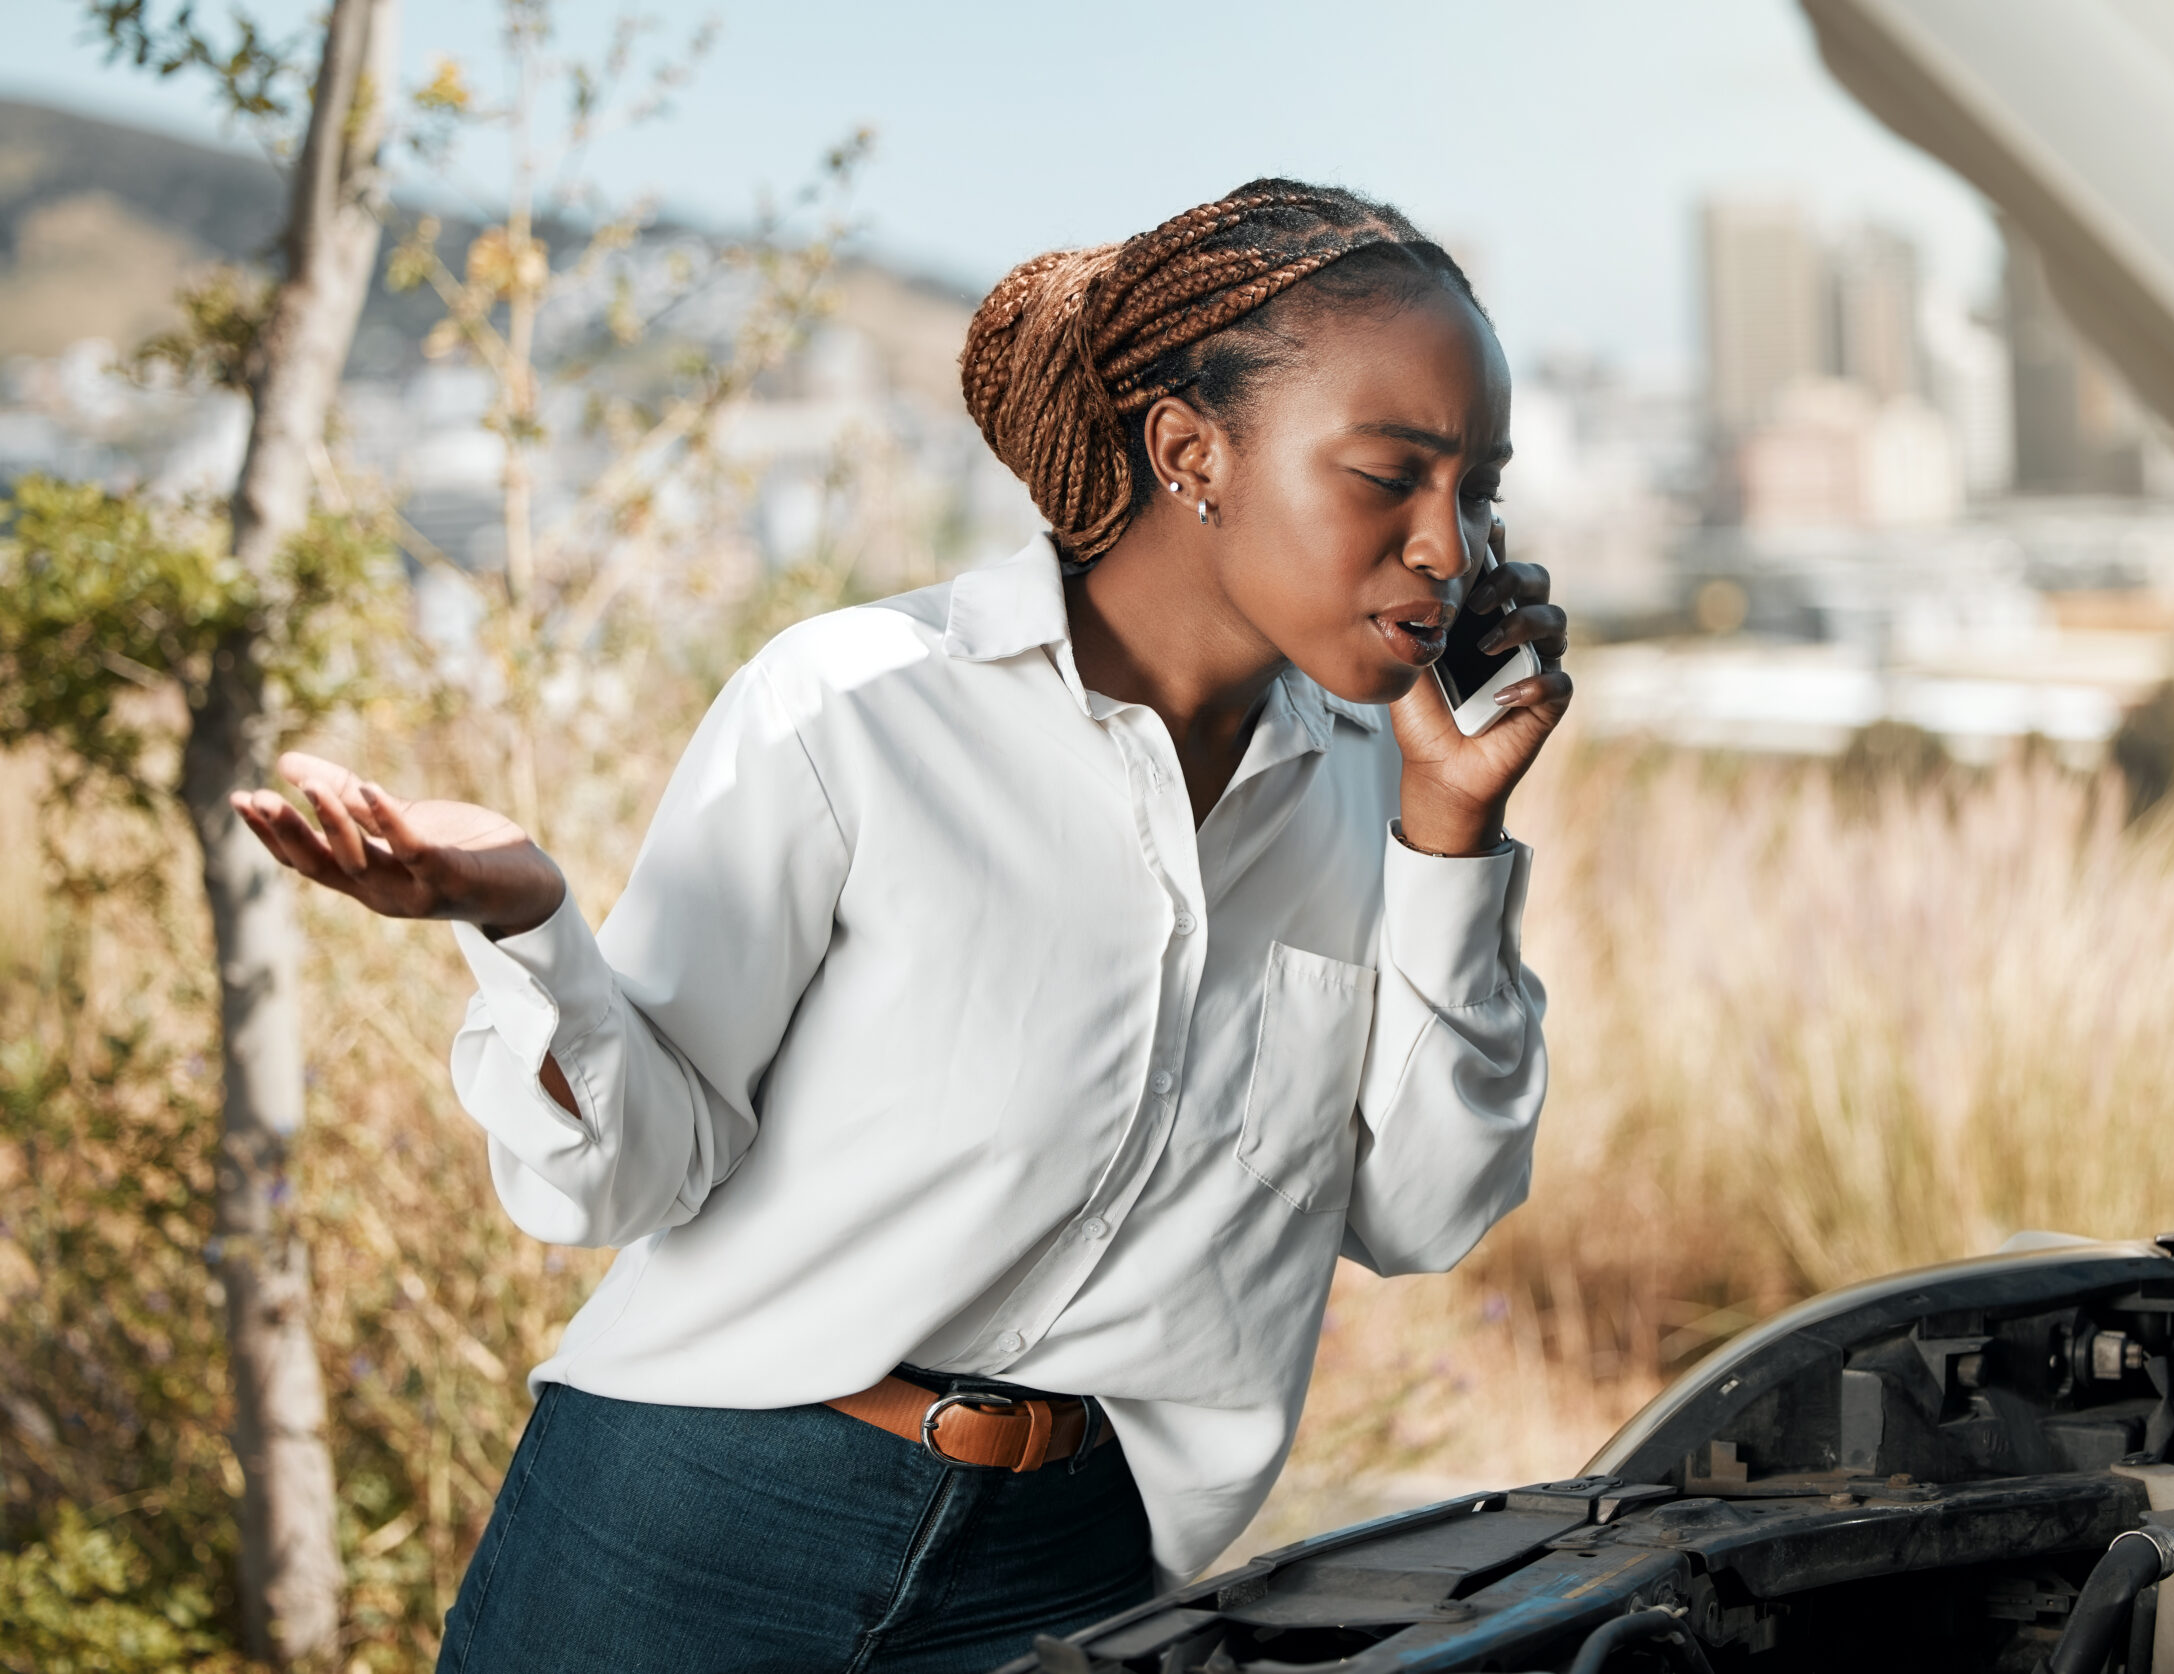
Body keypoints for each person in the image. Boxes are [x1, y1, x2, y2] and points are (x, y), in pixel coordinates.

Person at [236, 179, 1571, 1674]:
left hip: (1076, 1566)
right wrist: (535, 927)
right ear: (1192, 450)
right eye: (1391, 475)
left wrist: (1457, 837)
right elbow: (633, 1171)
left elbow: (1425, 1211)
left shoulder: (1384, 786)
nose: (1450, 546)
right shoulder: (857, 706)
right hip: (699, 1511)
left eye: (1479, 486)